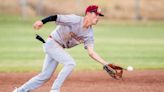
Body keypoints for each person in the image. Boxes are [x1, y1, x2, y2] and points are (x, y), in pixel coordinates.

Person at [13, 5, 112, 92]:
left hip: (58, 48)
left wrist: (105, 63)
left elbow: (91, 52)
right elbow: (56, 17)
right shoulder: (74, 19)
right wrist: (42, 21)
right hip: (52, 43)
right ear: (88, 14)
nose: (98, 17)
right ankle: (55, 90)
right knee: (70, 63)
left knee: (45, 76)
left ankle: (20, 90)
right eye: (96, 14)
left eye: (99, 15)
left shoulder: (89, 34)